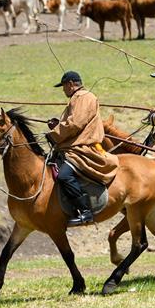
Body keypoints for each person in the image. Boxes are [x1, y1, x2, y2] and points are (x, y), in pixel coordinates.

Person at [47, 70, 118, 227]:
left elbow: (76, 124)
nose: (63, 90)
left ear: (71, 84)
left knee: (63, 176)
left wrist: (54, 134)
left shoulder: (84, 97)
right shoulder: (78, 98)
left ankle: (85, 211)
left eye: (64, 86)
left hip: (82, 148)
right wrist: (57, 126)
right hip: (73, 146)